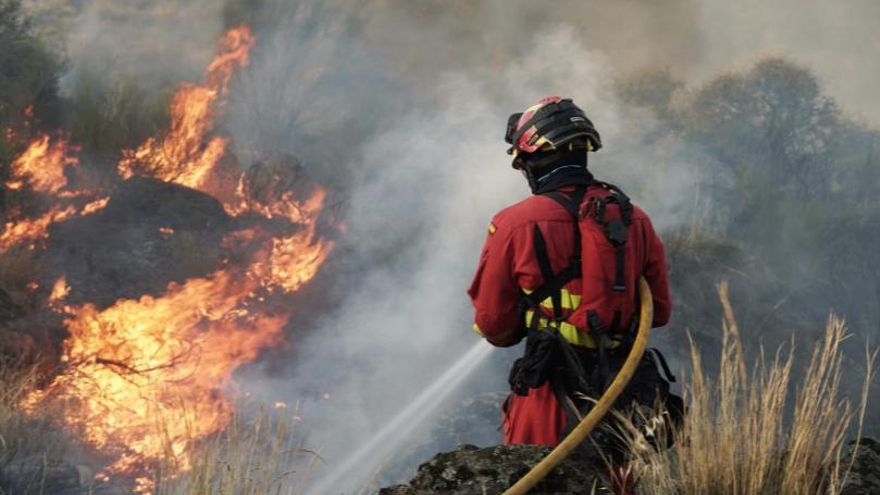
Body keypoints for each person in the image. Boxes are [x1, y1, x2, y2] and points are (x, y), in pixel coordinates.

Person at [467, 96, 679, 488]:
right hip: (622, 395)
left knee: (539, 482)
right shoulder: (635, 220)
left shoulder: (515, 223)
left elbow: (493, 324)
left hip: (549, 393)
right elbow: (659, 311)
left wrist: (530, 318)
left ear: (535, 157)